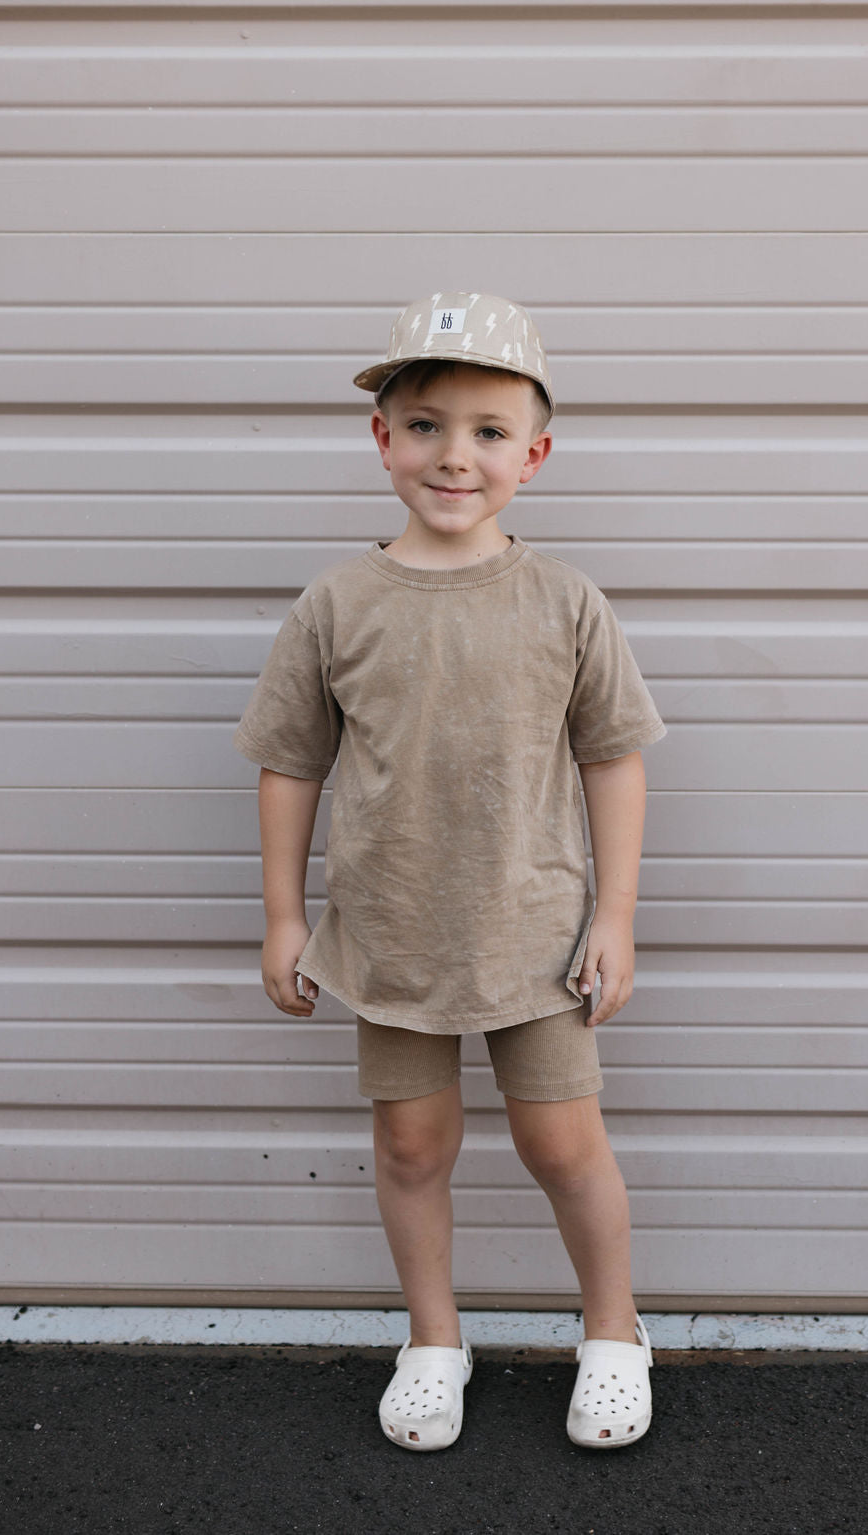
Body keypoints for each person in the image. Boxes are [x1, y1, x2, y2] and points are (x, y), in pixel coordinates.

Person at [233, 292, 667, 1452]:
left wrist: (615, 914)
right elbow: (290, 763)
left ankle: (613, 1329)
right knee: (412, 1146)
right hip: (391, 933)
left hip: (536, 933)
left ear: (534, 452)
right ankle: (433, 1336)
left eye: (485, 429)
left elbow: (612, 757)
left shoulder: (564, 601)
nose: (453, 455)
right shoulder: (338, 604)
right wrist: (283, 915)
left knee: (561, 1144)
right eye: (424, 425)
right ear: (382, 440)